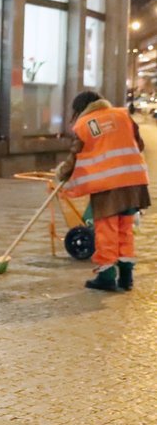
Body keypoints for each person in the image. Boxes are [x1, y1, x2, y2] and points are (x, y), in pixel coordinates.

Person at [57, 91, 150, 291]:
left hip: (108, 186)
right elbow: (139, 144)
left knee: (106, 230)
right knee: (125, 229)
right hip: (134, 182)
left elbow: (75, 155)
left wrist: (62, 173)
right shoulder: (123, 115)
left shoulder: (84, 125)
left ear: (81, 108)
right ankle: (126, 277)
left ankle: (107, 276)